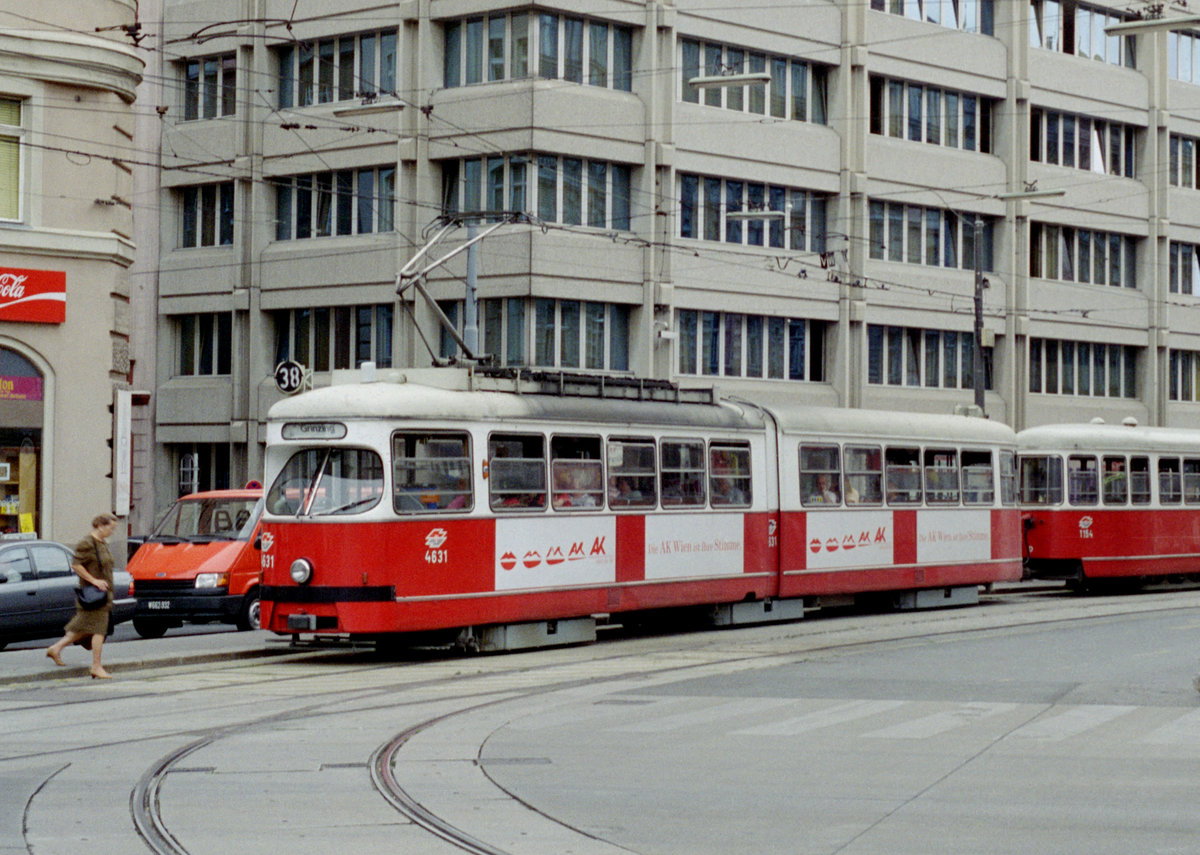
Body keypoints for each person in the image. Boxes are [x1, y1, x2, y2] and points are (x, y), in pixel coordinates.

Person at [46, 513, 119, 679]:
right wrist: (94, 581)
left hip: (103, 595)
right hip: (94, 596)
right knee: (98, 630)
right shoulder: (87, 543)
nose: (112, 531)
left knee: (82, 629)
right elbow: (76, 565)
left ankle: (55, 649)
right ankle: (96, 666)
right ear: (100, 525)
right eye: (110, 527)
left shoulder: (102, 544)